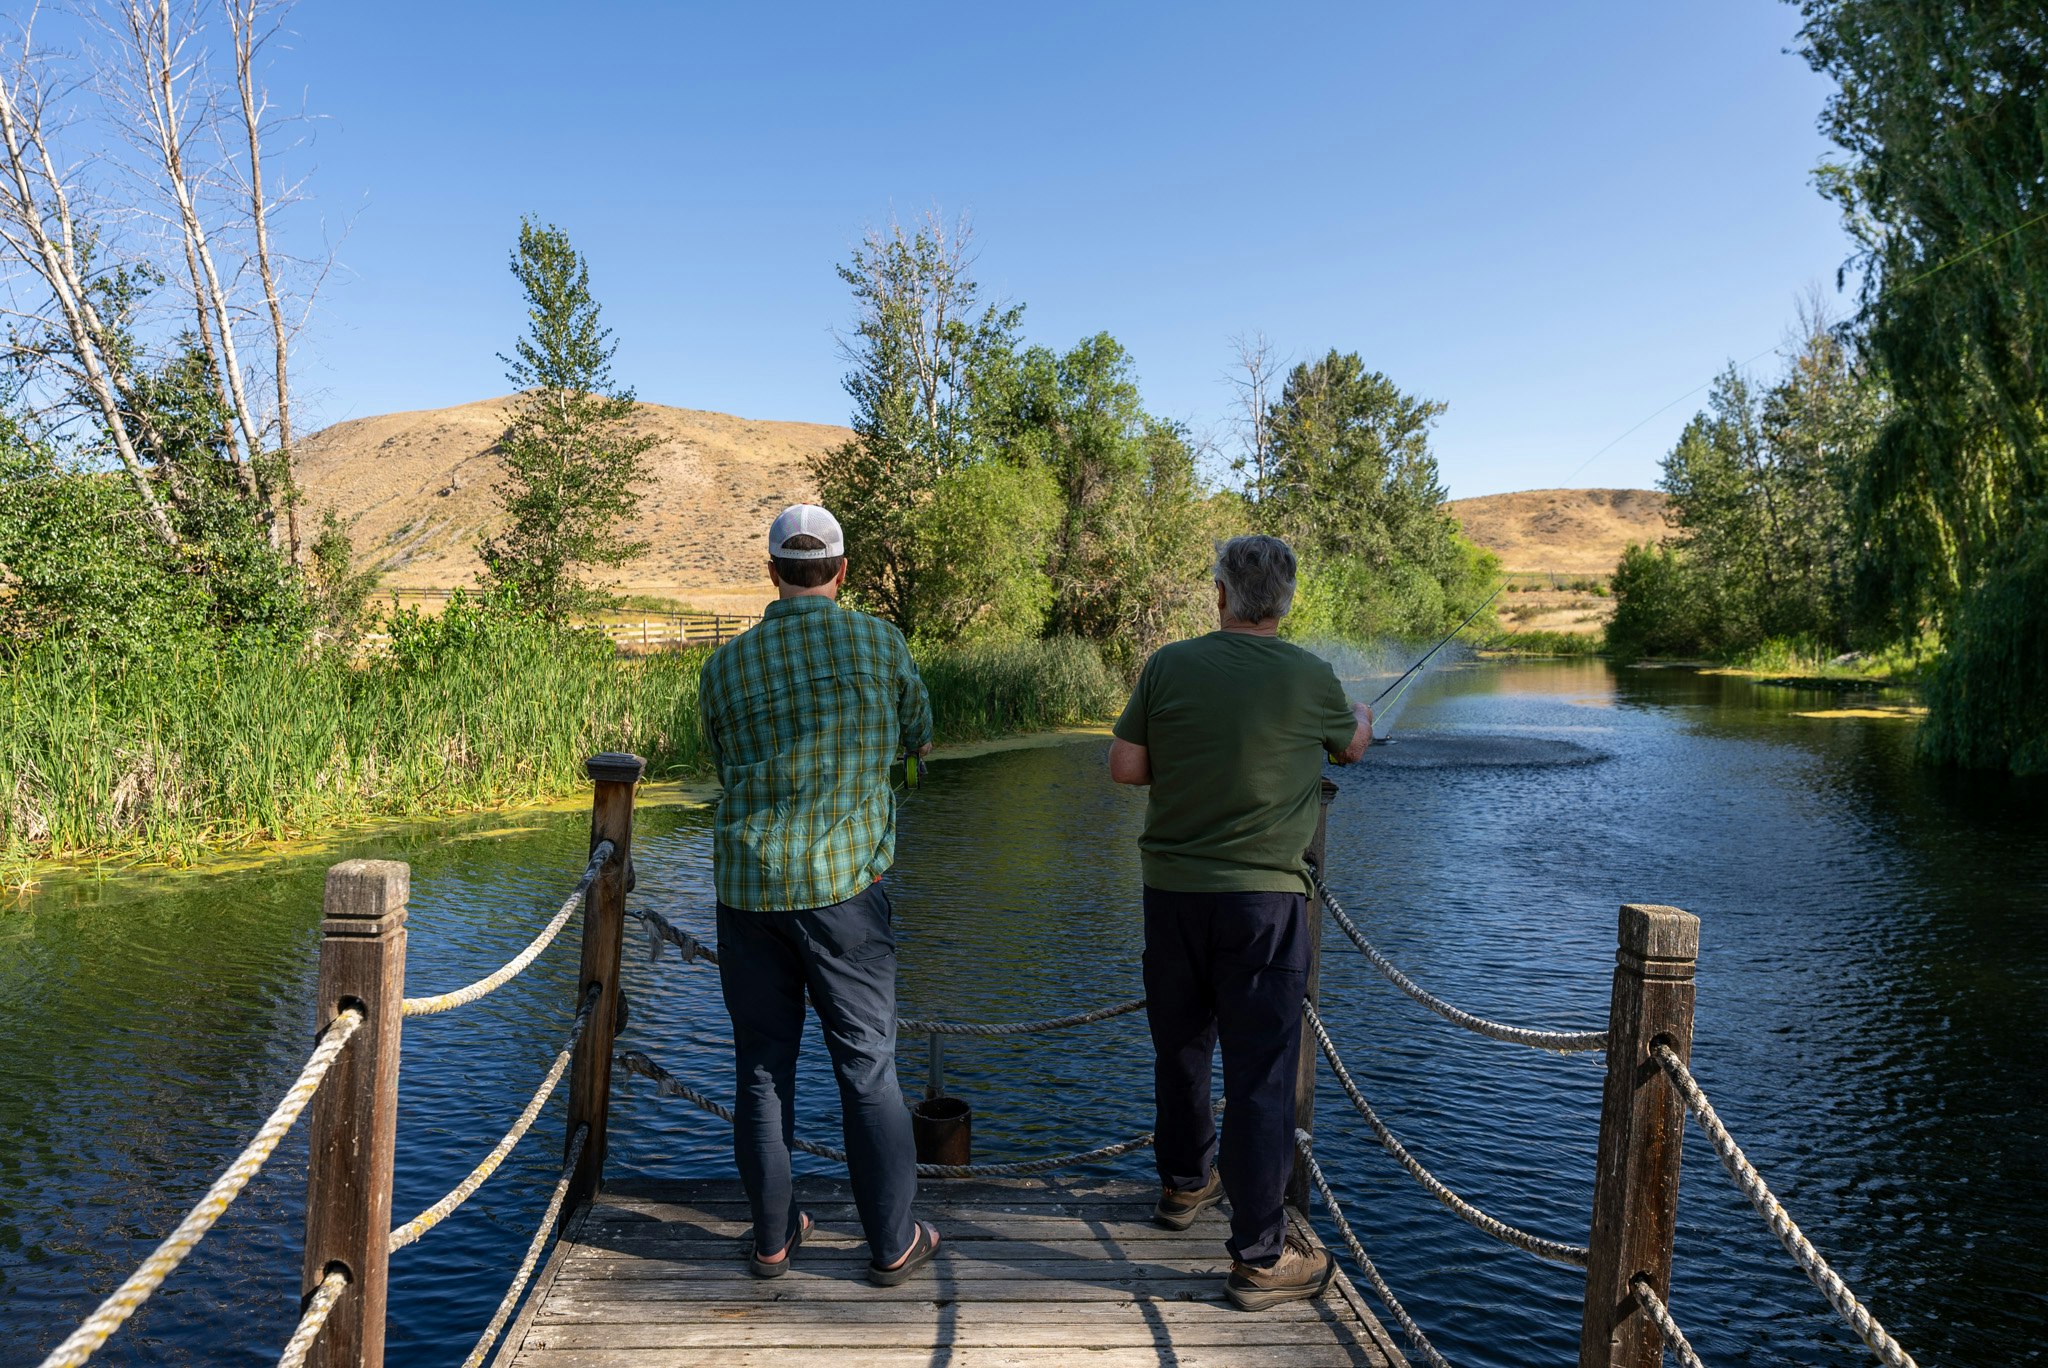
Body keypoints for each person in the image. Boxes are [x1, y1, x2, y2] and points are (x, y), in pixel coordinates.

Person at [1108, 533, 1373, 1311]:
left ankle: (1185, 1185)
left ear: (1219, 595)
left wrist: (1190, 759)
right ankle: (1260, 1256)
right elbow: (1352, 748)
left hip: (1174, 896)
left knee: (1181, 1047)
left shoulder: (1168, 665)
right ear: (1285, 602)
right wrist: (1356, 714)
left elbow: (1125, 766)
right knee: (1260, 1077)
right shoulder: (1310, 675)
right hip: (1265, 905)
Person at [697, 503, 941, 1287]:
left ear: (772, 573)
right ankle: (892, 1245)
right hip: (846, 892)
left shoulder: (725, 666)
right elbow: (920, 737)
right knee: (868, 1068)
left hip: (748, 888)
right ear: (841, 573)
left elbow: (724, 754)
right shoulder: (881, 642)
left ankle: (772, 1242)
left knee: (762, 1070)